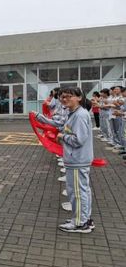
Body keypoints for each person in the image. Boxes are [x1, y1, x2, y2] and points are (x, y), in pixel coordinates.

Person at [56, 87, 94, 233]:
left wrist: (62, 137)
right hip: (77, 158)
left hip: (77, 159)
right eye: (62, 97)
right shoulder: (75, 113)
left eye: (68, 96)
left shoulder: (79, 115)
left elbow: (79, 140)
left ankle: (79, 222)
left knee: (77, 192)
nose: (64, 99)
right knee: (83, 191)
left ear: (79, 97)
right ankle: (84, 219)